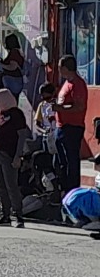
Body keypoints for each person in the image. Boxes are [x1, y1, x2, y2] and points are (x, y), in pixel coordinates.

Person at [0, 89, 30, 227]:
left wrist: (18, 156)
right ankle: (5, 215)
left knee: (11, 186)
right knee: (1, 186)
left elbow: (22, 135)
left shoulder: (16, 114)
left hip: (9, 154)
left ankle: (18, 216)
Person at [53, 55, 88, 194]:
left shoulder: (78, 84)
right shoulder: (66, 83)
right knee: (61, 162)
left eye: (60, 68)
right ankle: (63, 188)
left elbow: (79, 107)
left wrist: (60, 109)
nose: (59, 70)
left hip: (72, 127)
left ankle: (72, 191)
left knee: (71, 161)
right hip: (61, 126)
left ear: (67, 68)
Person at [0, 34, 25, 99]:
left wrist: (0, 65)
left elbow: (13, 67)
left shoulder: (14, 52)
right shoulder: (17, 52)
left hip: (13, 82)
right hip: (14, 82)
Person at [34, 82, 57, 152]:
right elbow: (37, 124)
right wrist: (44, 131)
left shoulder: (58, 105)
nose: (47, 100)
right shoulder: (42, 105)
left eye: (48, 98)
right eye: (44, 98)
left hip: (57, 135)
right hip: (46, 136)